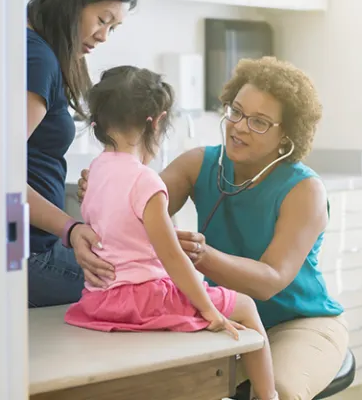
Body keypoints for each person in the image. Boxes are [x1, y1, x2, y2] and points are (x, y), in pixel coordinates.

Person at [76, 57, 349, 400]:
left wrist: (200, 256)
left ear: (288, 135)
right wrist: (108, 187)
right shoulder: (200, 163)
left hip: (297, 323)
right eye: (236, 111)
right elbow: (138, 206)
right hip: (220, 314)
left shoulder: (304, 190)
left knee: (281, 389)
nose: (240, 127)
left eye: (260, 122)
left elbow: (269, 281)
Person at [65, 65, 278, 400]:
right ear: (157, 121)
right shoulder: (145, 180)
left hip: (99, 299)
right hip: (141, 299)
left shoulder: (95, 172)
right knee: (246, 306)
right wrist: (210, 310)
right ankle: (269, 396)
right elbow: (174, 259)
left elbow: (124, 236)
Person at [26, 0, 138, 308]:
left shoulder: (31, 46)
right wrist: (70, 229)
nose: (103, 36)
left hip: (31, 246)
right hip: (29, 255)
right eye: (102, 20)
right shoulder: (37, 59)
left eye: (113, 28)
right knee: (149, 281)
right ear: (74, 0)